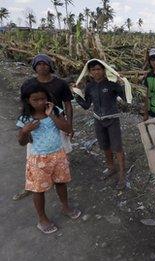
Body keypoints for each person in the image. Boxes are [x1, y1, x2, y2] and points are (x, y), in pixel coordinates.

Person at [16, 84, 80, 234]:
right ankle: (42, 218)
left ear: (48, 98)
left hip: (58, 154)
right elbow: (22, 142)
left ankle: (65, 207)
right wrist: (25, 131)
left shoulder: (55, 110)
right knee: (38, 190)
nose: (40, 102)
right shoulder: (25, 118)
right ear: (27, 100)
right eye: (35, 100)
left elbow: (68, 128)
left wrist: (51, 115)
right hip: (38, 159)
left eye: (43, 98)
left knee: (61, 182)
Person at [13, 54, 74, 201]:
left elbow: (68, 104)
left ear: (50, 66)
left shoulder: (60, 84)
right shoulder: (28, 85)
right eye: (39, 64)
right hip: (36, 127)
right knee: (34, 156)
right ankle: (34, 183)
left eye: (45, 64)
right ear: (34, 67)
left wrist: (69, 123)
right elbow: (23, 105)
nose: (42, 66)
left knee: (61, 153)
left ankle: (57, 176)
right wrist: (25, 126)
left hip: (56, 120)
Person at [75, 60, 127, 190]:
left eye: (98, 69)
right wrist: (76, 95)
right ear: (90, 73)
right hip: (98, 119)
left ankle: (122, 175)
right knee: (104, 146)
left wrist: (123, 84)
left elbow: (126, 98)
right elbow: (87, 106)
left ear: (104, 70)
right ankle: (111, 168)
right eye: (93, 70)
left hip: (112, 119)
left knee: (117, 147)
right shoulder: (90, 87)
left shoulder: (111, 85)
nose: (96, 72)